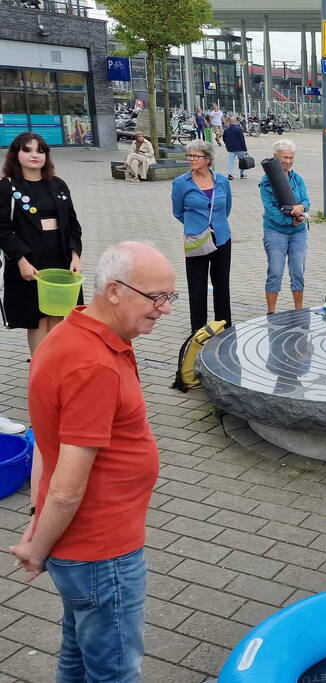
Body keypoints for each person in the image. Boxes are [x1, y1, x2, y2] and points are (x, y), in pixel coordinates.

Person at [10, 241, 175, 683]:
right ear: (116, 291)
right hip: (102, 552)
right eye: (156, 297)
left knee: (78, 654)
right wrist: (36, 547)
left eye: (169, 297)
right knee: (114, 670)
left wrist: (36, 517)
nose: (165, 309)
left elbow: (47, 441)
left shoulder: (73, 331)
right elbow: (66, 485)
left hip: (81, 547)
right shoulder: (92, 365)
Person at [0, 132, 83, 355]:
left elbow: (73, 225)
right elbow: (3, 230)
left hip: (59, 257)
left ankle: (53, 367)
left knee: (57, 313)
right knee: (36, 318)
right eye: (27, 150)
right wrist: (20, 261)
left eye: (40, 150)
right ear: (16, 154)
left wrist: (75, 256)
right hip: (30, 260)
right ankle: (39, 368)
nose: (35, 155)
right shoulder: (8, 187)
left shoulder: (58, 185)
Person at [171, 139, 232, 332]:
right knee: (197, 287)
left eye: (195, 156)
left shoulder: (222, 181)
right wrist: (195, 225)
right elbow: (178, 211)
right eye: (189, 155)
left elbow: (226, 207)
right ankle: (197, 330)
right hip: (196, 239)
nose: (191, 159)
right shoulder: (181, 183)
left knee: (221, 284)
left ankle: (224, 326)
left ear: (208, 159)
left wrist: (215, 226)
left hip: (221, 238)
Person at [260, 139, 311, 314]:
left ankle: (298, 310)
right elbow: (271, 210)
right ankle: (271, 312)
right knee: (275, 271)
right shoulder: (266, 182)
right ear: (275, 158)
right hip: (275, 232)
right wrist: (291, 220)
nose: (288, 162)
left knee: (297, 271)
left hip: (298, 233)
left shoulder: (297, 178)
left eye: (290, 158)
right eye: (283, 159)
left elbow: (306, 200)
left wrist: (301, 208)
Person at [222, 115, 248, 180]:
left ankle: (230, 174)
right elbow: (242, 140)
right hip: (239, 148)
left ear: (229, 122)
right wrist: (245, 149)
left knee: (230, 162)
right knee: (242, 162)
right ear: (235, 121)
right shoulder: (239, 129)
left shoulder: (226, 130)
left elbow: (224, 139)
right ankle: (242, 174)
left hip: (231, 148)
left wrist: (227, 145)